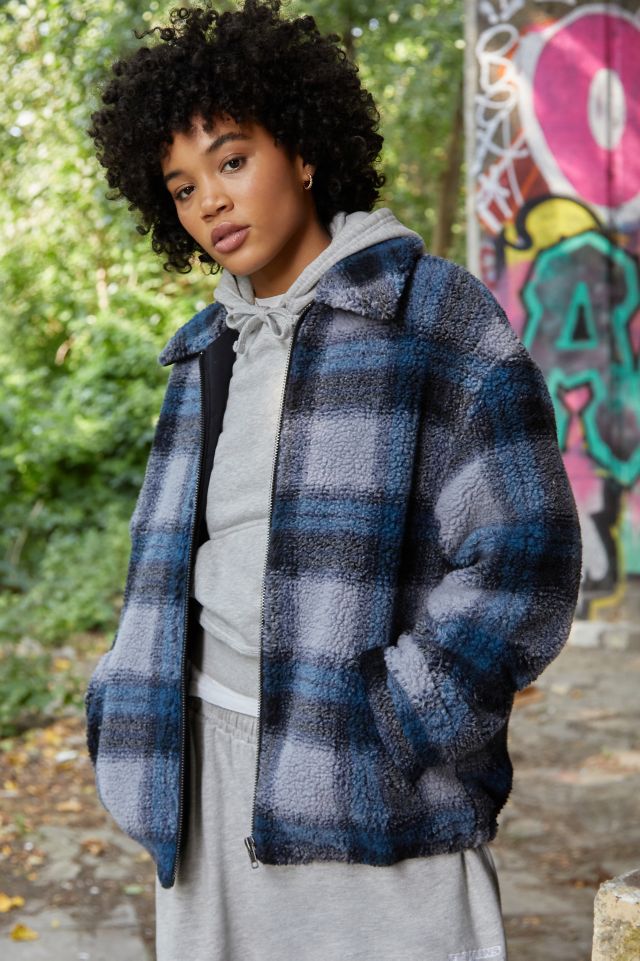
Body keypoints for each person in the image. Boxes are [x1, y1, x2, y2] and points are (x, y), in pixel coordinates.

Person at [84, 2, 583, 960]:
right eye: (183, 187)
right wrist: (126, 699)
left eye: (232, 161)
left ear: (305, 151)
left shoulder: (431, 315)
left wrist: (403, 714)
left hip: (373, 778)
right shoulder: (204, 353)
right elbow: (171, 568)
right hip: (203, 771)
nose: (211, 203)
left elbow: (527, 551)